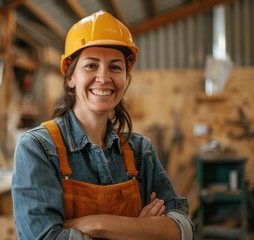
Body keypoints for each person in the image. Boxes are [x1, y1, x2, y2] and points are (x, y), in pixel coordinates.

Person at [11, 10, 194, 240]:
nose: (104, 77)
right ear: (70, 77)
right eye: (91, 66)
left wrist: (95, 225)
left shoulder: (140, 151)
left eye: (115, 67)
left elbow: (183, 230)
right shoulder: (38, 148)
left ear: (126, 78)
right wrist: (139, 230)